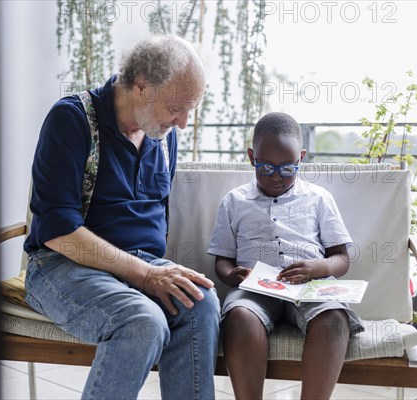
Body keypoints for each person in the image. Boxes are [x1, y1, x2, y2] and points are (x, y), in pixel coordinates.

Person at [23, 35, 220, 400]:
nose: (183, 123)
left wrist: (152, 270)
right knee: (142, 323)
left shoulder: (162, 135)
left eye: (191, 109)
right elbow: (58, 230)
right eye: (177, 107)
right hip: (62, 266)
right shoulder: (72, 120)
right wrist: (146, 275)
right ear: (141, 85)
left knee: (201, 304)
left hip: (137, 265)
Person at [207, 112, 364, 399]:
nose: (276, 176)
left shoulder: (318, 199)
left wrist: (318, 268)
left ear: (301, 158)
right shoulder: (234, 201)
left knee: (332, 319)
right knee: (239, 317)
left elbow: (341, 259)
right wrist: (231, 274)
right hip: (254, 290)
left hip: (309, 288)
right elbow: (222, 259)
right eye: (266, 167)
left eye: (287, 168)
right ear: (252, 157)